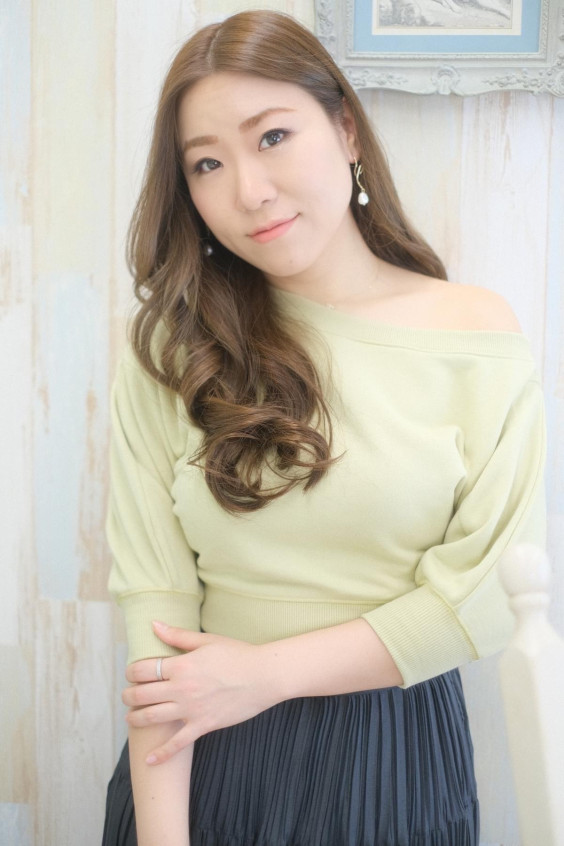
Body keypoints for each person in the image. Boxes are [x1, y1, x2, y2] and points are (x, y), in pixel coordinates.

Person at [102, 10, 546, 846]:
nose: (250, 191)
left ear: (346, 129)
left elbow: (485, 597)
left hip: (395, 759)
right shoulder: (176, 348)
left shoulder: (474, 334)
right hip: (204, 759)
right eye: (207, 163)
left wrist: (264, 675)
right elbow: (155, 608)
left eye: (272, 137)